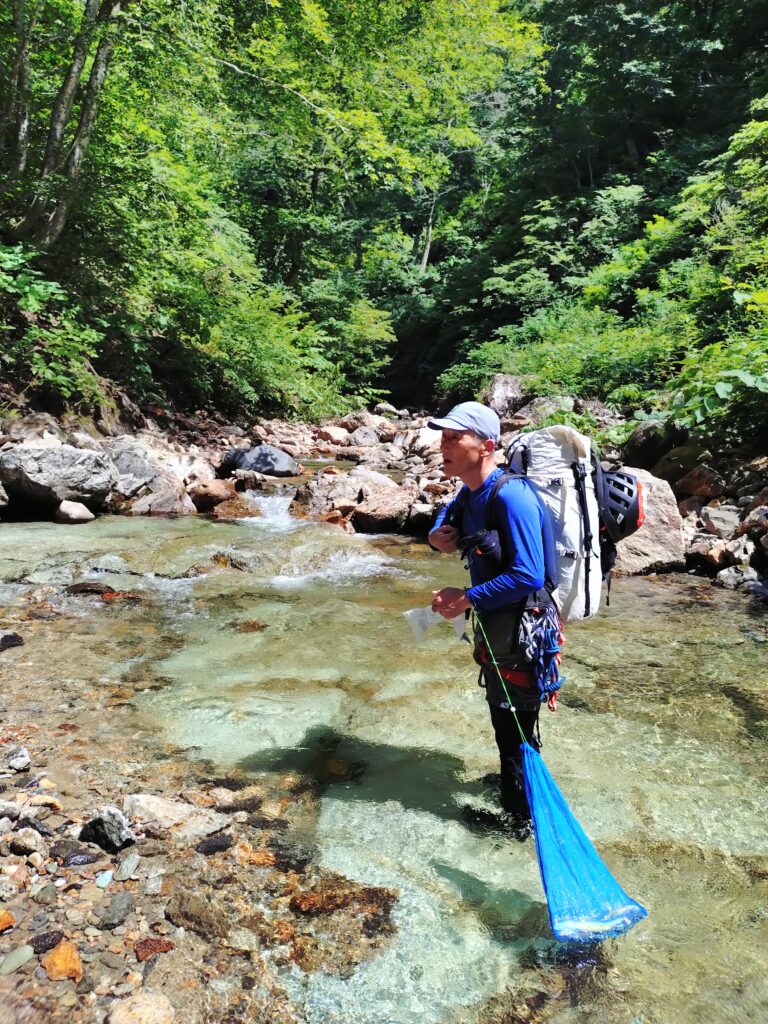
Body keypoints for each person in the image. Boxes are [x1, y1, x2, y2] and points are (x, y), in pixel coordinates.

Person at [427, 401, 551, 839]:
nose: (443, 446)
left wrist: (466, 598)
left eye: (453, 437)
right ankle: (517, 789)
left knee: (512, 722)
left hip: (522, 628)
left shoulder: (512, 496)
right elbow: (450, 511)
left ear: (486, 446)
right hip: (497, 623)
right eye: (442, 437)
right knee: (507, 718)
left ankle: (519, 824)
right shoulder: (471, 491)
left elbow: (529, 575)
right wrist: (435, 534)